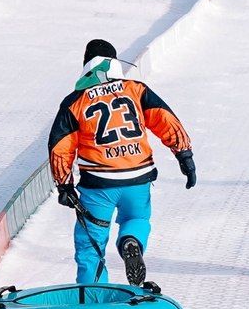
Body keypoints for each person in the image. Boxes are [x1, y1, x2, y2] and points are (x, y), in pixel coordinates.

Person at [48, 37, 196, 286]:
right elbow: (165, 119)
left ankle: (96, 302)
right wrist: (184, 154)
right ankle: (131, 241)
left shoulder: (75, 101)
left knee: (90, 247)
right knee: (136, 220)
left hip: (99, 185)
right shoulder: (136, 90)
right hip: (138, 178)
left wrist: (64, 184)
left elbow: (61, 147)